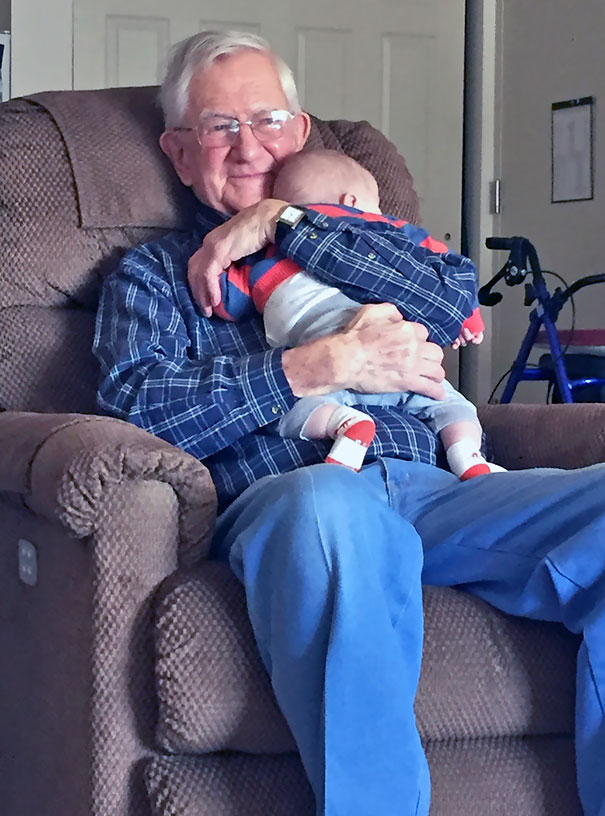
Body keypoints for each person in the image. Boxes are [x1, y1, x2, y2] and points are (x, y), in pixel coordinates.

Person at [93, 29, 605, 816]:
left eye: (265, 120)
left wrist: (282, 222)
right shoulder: (158, 275)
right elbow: (138, 406)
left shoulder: (372, 240)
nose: (246, 145)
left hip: (442, 494)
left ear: (299, 133)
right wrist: (310, 367)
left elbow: (448, 303)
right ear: (179, 153)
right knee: (328, 515)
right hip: (299, 489)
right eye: (217, 127)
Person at [206, 147, 501, 477]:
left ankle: (345, 424)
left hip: (331, 364)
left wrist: (217, 264)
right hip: (398, 364)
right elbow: (446, 270)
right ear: (352, 201)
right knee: (452, 403)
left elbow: (226, 300)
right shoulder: (391, 229)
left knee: (287, 411)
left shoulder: (264, 256)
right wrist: (469, 317)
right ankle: (467, 455)